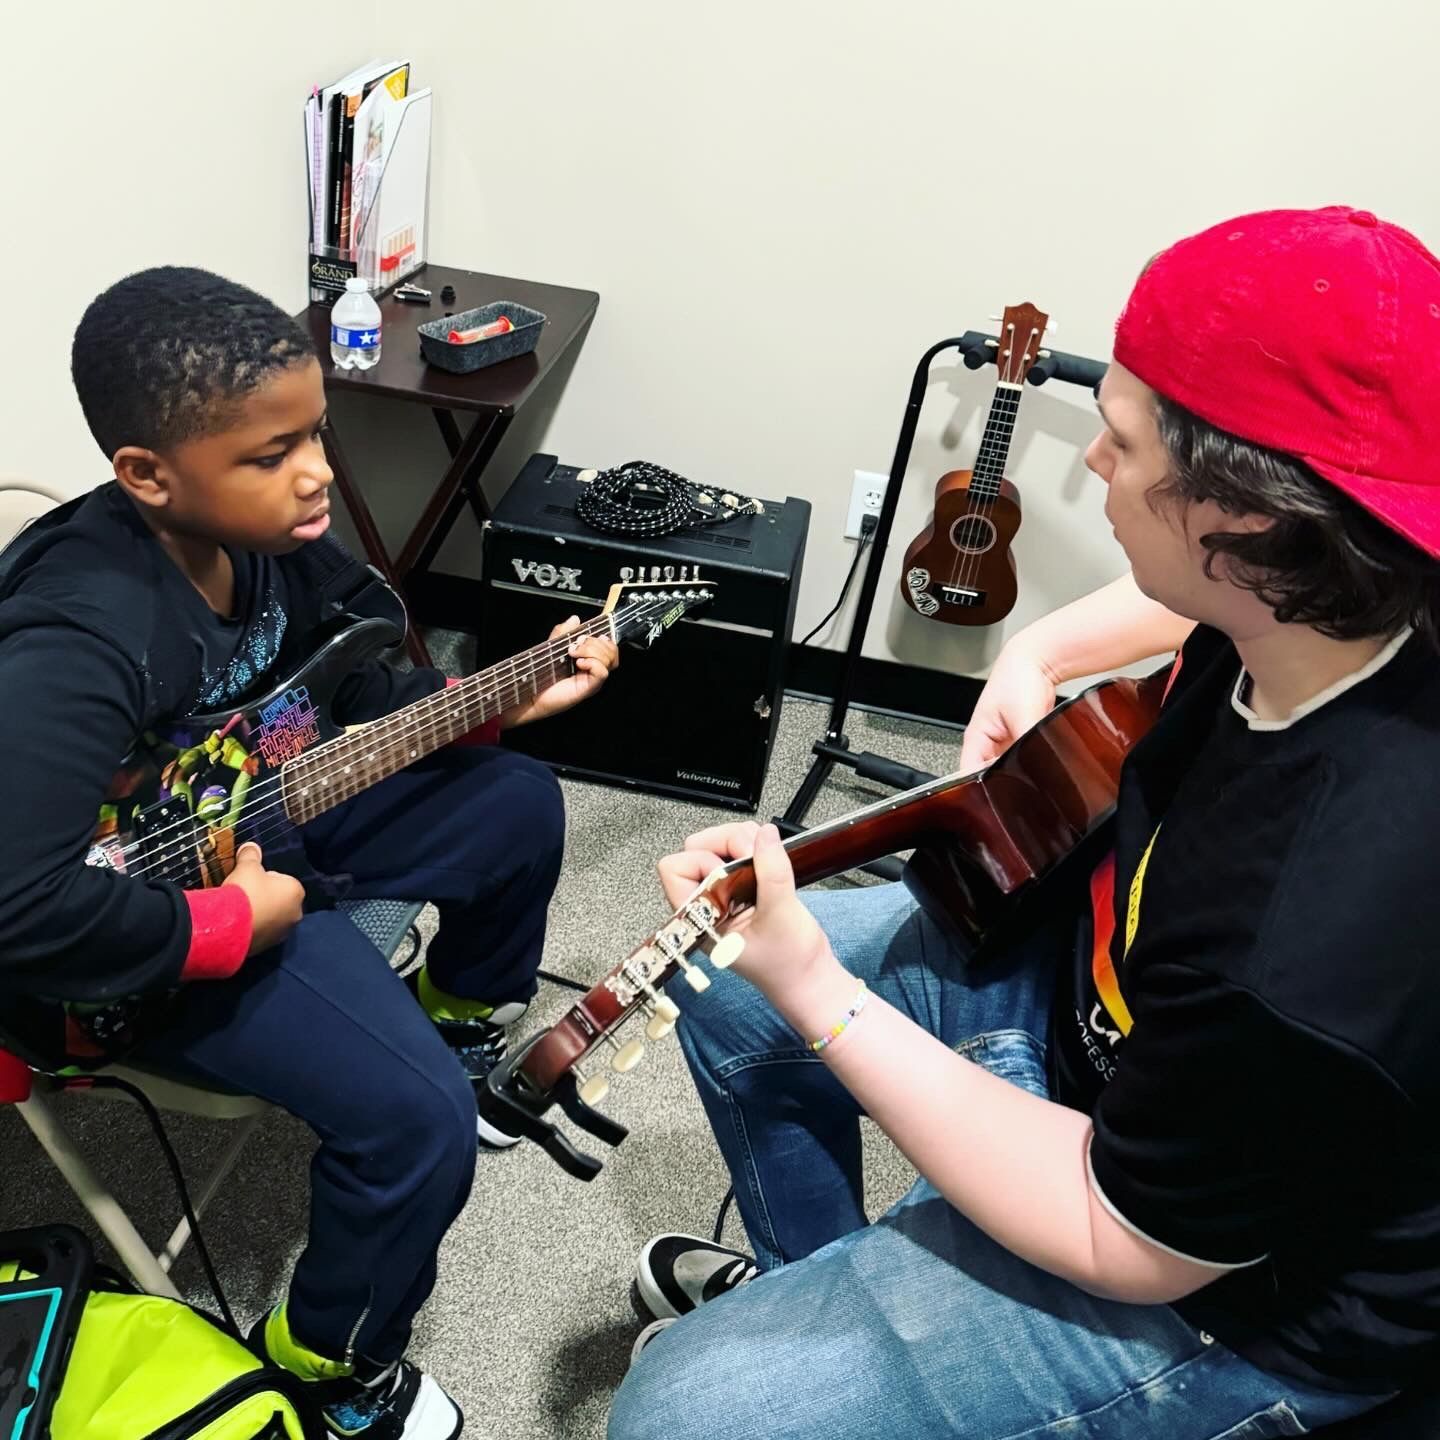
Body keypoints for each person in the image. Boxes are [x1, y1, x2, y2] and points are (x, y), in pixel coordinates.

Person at [610, 206, 1440, 1439]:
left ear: (1248, 520)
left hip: (1238, 1290)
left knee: (677, 1414)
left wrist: (817, 983)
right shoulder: (1347, 578)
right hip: (1112, 1007)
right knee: (724, 992)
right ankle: (815, 1302)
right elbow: (1189, 608)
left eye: (1119, 443)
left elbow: (1126, 1239)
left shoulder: (1316, 926)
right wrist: (1042, 648)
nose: (1095, 469)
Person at [0, 267, 619, 1440]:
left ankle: (453, 1012)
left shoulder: (280, 540)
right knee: (417, 1122)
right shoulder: (80, 633)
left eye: (316, 431)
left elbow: (369, 682)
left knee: (517, 805)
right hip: (147, 930)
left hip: (272, 805)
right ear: (147, 477)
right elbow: (17, 904)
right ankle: (334, 1365)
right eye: (272, 451)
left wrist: (502, 704)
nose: (319, 470)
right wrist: (233, 926)